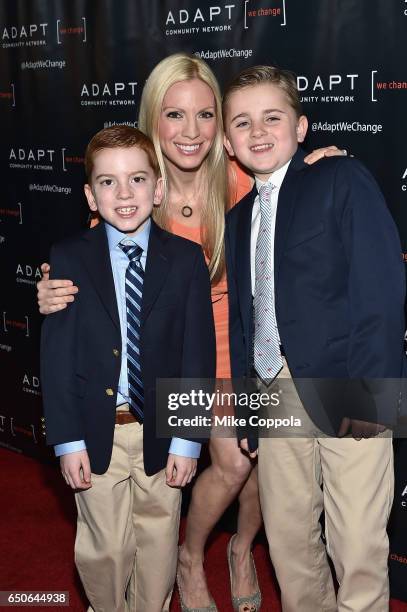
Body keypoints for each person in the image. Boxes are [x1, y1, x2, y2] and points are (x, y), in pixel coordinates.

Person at [37, 53, 346, 612]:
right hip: (180, 354)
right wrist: (49, 289)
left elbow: (289, 185)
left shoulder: (239, 173)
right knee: (229, 461)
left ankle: (242, 549)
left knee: (266, 456)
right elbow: (91, 277)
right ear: (154, 118)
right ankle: (189, 554)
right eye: (175, 115)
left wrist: (315, 168)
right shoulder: (133, 183)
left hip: (248, 340)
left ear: (221, 127)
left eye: (206, 116)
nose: (191, 131)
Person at [223, 65, 406, 612]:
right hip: (273, 387)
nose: (258, 131)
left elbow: (379, 290)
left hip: (347, 383)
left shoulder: (340, 179)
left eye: (272, 118)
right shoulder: (238, 219)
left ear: (301, 127)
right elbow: (243, 318)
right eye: (242, 122)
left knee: (356, 543)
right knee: (288, 539)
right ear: (229, 142)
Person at [40, 125, 216, 612]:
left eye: (137, 179)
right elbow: (56, 358)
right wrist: (67, 439)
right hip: (97, 435)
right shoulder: (68, 258)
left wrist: (188, 438)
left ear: (158, 189)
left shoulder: (185, 261)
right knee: (105, 552)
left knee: (159, 547)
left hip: (161, 430)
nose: (124, 194)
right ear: (90, 196)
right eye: (108, 182)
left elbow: (197, 356)